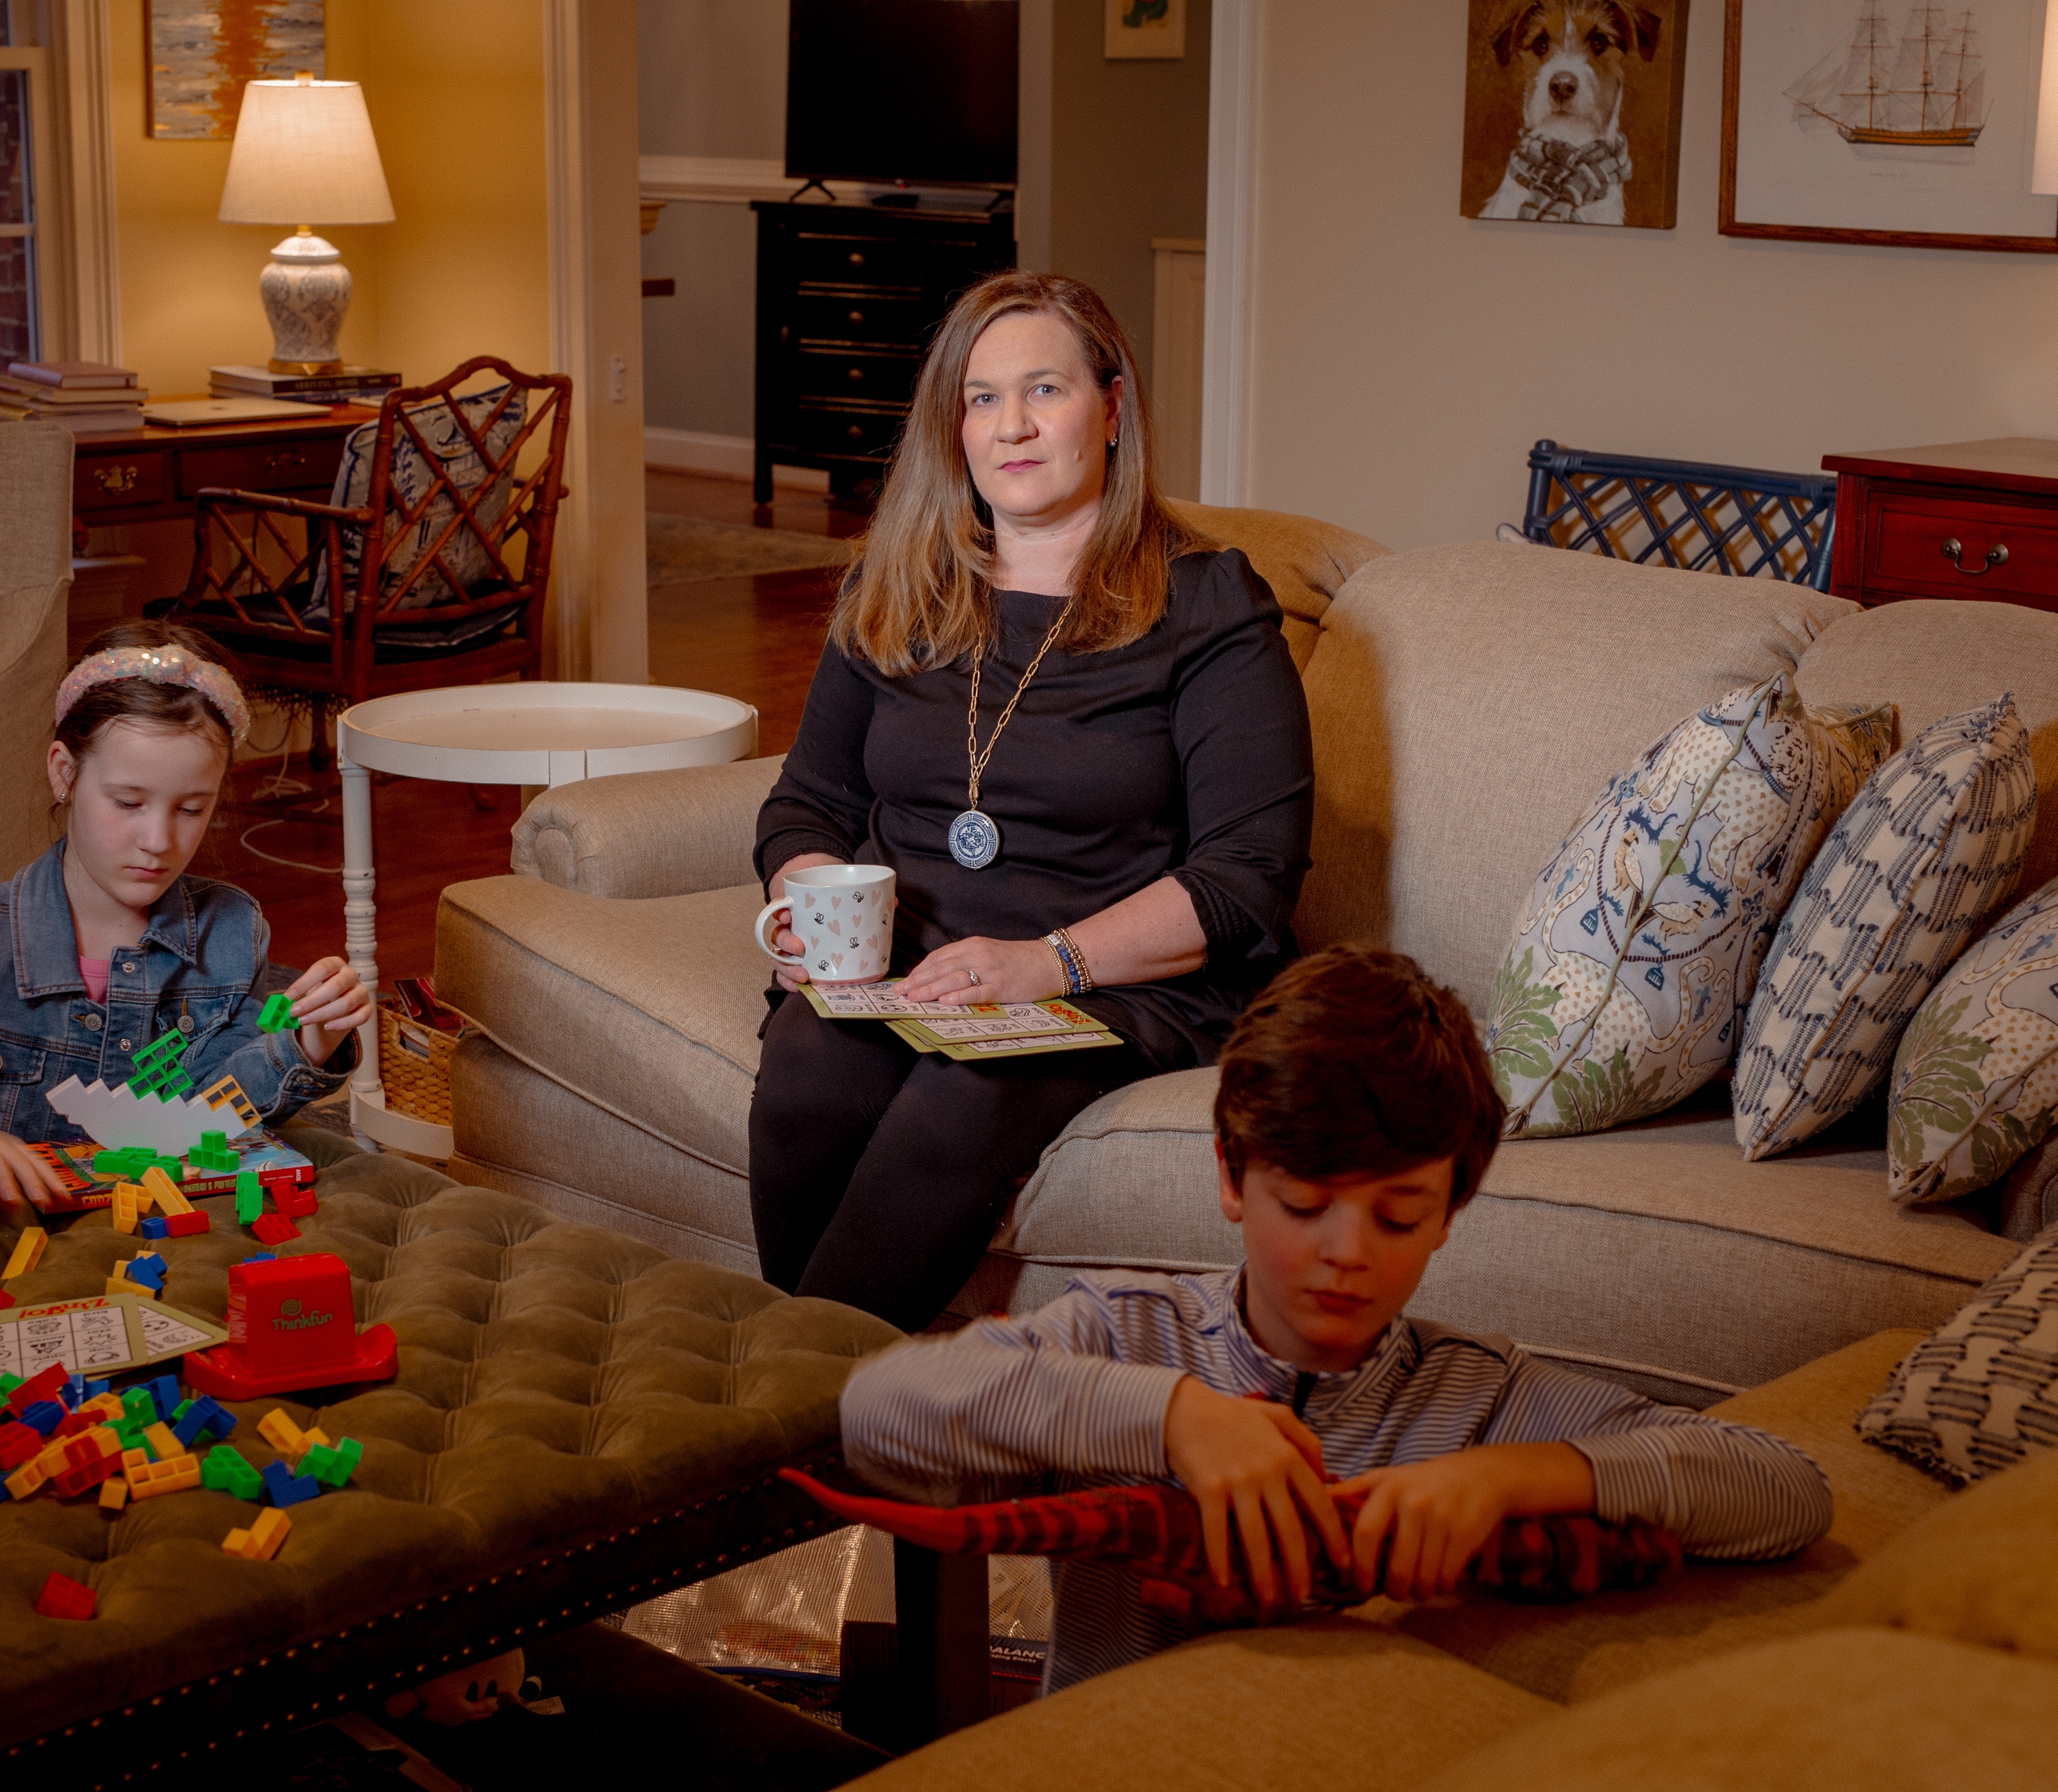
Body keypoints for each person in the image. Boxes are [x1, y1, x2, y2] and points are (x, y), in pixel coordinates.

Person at [838, 946, 1834, 1694]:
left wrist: (1512, 1472)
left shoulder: (1482, 1395)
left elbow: (1783, 1490)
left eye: (1397, 1214)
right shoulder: (1124, 1333)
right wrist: (1172, 1415)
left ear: (1449, 1209)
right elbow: (879, 1410)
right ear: (1230, 1176)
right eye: (1304, 1203)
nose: (1346, 1251)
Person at [750, 270, 1314, 1331]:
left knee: (968, 1092)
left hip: (1105, 982)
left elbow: (1250, 874)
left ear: (1110, 408)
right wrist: (810, 897)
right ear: (950, 427)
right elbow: (806, 799)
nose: (1010, 425)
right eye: (980, 398)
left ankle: (801, 1414)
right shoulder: (894, 584)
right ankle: (796, 1386)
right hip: (909, 967)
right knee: (809, 1062)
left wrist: (1038, 964)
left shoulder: (1204, 602)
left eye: (1043, 390)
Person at [0, 620, 373, 1215]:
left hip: (159, 1232)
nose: (158, 840)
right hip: (3, 1238)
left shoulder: (233, 931)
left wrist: (310, 1043)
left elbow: (210, 1112)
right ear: (65, 773)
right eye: (128, 803)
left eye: (191, 808)